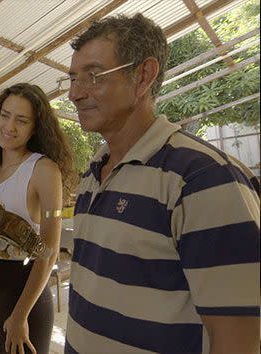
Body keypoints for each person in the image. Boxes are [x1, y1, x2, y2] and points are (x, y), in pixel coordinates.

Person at [63, 14, 260, 354]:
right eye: (72, 78)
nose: (74, 94)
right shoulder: (93, 172)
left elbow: (238, 339)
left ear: (143, 76)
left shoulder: (204, 179)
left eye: (93, 76)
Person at [0, 83, 75, 354]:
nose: (9, 126)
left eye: (21, 120)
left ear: (35, 128)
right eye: (5, 115)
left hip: (23, 297)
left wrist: (20, 316)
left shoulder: (43, 169)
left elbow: (49, 251)